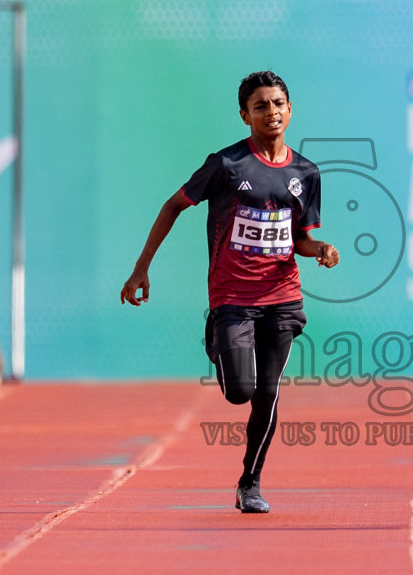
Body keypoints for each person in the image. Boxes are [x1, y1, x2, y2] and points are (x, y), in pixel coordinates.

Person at [121, 71, 339, 514]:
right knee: (240, 391)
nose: (271, 112)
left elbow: (299, 237)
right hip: (232, 298)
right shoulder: (226, 165)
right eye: (260, 106)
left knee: (268, 394)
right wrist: (141, 267)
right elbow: (173, 205)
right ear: (245, 115)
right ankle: (218, 337)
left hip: (281, 296)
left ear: (290, 109)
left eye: (278, 103)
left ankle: (250, 483)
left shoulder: (306, 173)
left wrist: (321, 249)